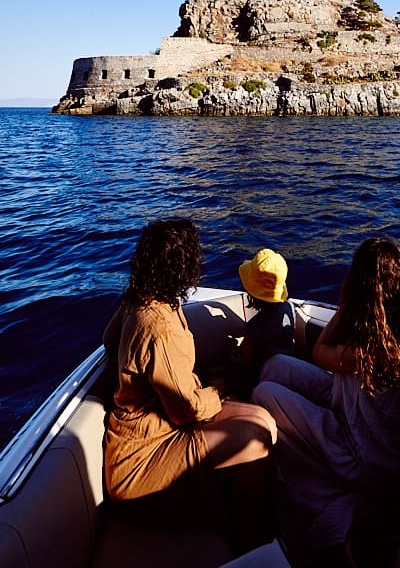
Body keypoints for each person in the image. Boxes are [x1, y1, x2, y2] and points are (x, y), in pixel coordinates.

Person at [251, 236, 400, 561]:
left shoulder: (369, 351)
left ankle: (289, 482)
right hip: (356, 409)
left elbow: (320, 350)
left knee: (262, 393)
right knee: (276, 366)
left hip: (361, 454)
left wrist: (348, 303)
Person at [102, 219, 277, 554]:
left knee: (263, 419)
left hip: (154, 431)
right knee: (254, 441)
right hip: (140, 463)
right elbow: (187, 411)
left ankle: (243, 515)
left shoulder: (139, 300)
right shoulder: (158, 326)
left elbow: (108, 342)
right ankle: (248, 545)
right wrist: (216, 388)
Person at [232, 248, 294, 394]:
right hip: (288, 376)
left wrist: (234, 356)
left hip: (263, 381)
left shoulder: (253, 328)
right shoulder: (289, 308)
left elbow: (247, 362)